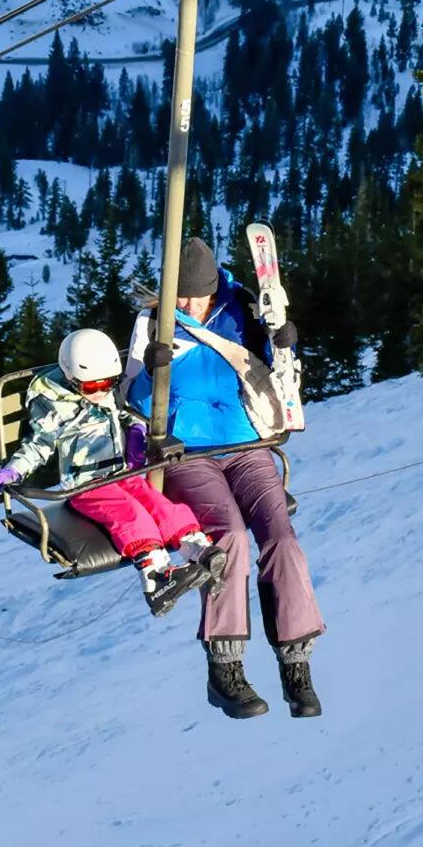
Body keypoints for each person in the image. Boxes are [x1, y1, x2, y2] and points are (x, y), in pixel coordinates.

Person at [125, 237, 324, 721]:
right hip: (188, 453)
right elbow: (130, 395)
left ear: (214, 288)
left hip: (247, 445)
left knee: (282, 540)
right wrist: (153, 374)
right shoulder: (153, 323)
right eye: (180, 296)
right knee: (229, 537)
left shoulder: (243, 310)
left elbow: (276, 371)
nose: (188, 304)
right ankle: (225, 667)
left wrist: (282, 342)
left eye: (196, 295)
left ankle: (295, 663)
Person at [0, 327, 225, 617]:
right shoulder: (54, 406)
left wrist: (137, 429)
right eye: (90, 387)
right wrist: (13, 471)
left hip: (121, 474)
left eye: (107, 383)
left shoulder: (104, 393)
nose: (100, 392)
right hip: (87, 484)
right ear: (72, 378)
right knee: (130, 514)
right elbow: (40, 444)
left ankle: (197, 548)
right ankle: (156, 579)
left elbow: (122, 410)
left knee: (160, 505)